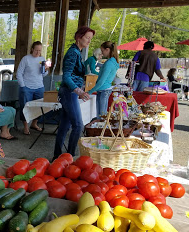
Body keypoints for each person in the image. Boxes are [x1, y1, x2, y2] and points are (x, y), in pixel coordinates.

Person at [54, 26, 95, 159]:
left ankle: (57, 156)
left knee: (65, 126)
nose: (89, 41)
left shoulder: (77, 52)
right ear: (79, 37)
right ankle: (69, 157)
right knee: (78, 125)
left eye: (90, 38)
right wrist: (79, 91)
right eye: (87, 37)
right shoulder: (73, 53)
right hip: (68, 92)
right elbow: (66, 77)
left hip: (69, 92)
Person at [16, 41, 49, 135]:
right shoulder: (26, 59)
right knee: (25, 107)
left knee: (40, 107)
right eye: (36, 50)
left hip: (39, 86)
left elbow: (43, 74)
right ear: (32, 49)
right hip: (27, 87)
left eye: (39, 50)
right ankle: (25, 127)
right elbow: (19, 73)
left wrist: (46, 70)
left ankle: (34, 123)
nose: (38, 52)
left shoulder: (42, 59)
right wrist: (23, 86)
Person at [87, 41, 120, 118]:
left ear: (107, 50)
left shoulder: (109, 63)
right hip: (105, 89)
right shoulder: (113, 62)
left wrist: (90, 91)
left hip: (103, 90)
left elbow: (101, 81)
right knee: (102, 114)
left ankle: (102, 129)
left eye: (102, 51)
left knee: (101, 116)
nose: (102, 53)